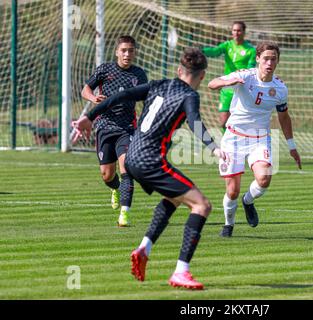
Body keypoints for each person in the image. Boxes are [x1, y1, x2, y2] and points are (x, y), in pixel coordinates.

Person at [72, 48, 227, 290]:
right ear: (203, 75)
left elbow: (119, 96)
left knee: (175, 198)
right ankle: (181, 271)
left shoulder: (158, 84)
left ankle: (144, 248)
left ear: (178, 70)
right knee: (202, 205)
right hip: (150, 159)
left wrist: (89, 117)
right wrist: (214, 148)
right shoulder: (190, 96)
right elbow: (195, 121)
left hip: (132, 155)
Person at [208, 41, 302, 238]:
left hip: (260, 139)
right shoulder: (244, 75)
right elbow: (212, 83)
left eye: (273, 59)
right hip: (233, 138)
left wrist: (292, 146)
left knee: (264, 179)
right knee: (232, 191)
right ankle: (228, 224)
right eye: (266, 58)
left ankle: (248, 201)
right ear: (258, 59)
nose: (269, 63)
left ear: (277, 62)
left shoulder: (280, 88)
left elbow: (284, 117)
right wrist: (227, 83)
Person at [77, 35, 148, 227]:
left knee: (127, 169)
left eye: (130, 50)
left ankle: (124, 214)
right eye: (123, 50)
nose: (127, 54)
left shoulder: (139, 75)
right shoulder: (105, 70)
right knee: (107, 175)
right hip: (104, 127)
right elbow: (85, 90)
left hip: (126, 128)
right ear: (117, 51)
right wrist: (92, 98)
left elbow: (146, 100)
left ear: (134, 52)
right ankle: (115, 188)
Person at [202, 21, 256, 132]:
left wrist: (244, 73)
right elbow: (215, 51)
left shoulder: (250, 50)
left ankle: (237, 144)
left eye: (239, 30)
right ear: (232, 32)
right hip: (227, 87)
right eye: (234, 30)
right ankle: (226, 144)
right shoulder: (227, 45)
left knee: (240, 121)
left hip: (242, 88)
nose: (237, 33)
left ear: (244, 32)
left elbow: (251, 67)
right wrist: (201, 51)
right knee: (223, 121)